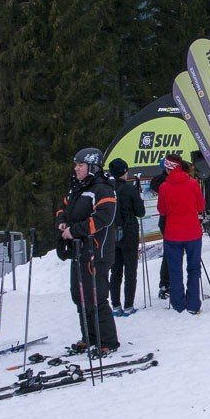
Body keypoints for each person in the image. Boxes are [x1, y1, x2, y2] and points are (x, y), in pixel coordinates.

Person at [58, 148, 120, 356]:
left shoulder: (102, 189)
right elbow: (63, 207)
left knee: (97, 296)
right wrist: (62, 222)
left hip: (96, 251)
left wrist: (74, 230)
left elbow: (104, 218)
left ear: (92, 167)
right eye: (75, 165)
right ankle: (89, 337)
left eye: (80, 165)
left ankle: (107, 340)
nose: (76, 169)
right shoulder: (77, 188)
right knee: (79, 295)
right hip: (78, 251)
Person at [157, 153, 206, 313]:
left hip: (173, 233)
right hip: (192, 232)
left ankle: (178, 304)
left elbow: (162, 210)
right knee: (193, 268)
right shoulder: (193, 184)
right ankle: (193, 304)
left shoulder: (164, 186)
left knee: (175, 268)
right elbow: (200, 207)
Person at [106, 158, 145, 316]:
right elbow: (140, 212)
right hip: (129, 232)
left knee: (115, 271)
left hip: (113, 233)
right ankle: (128, 305)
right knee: (130, 270)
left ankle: (115, 305)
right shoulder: (129, 189)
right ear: (124, 172)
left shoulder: (108, 189)